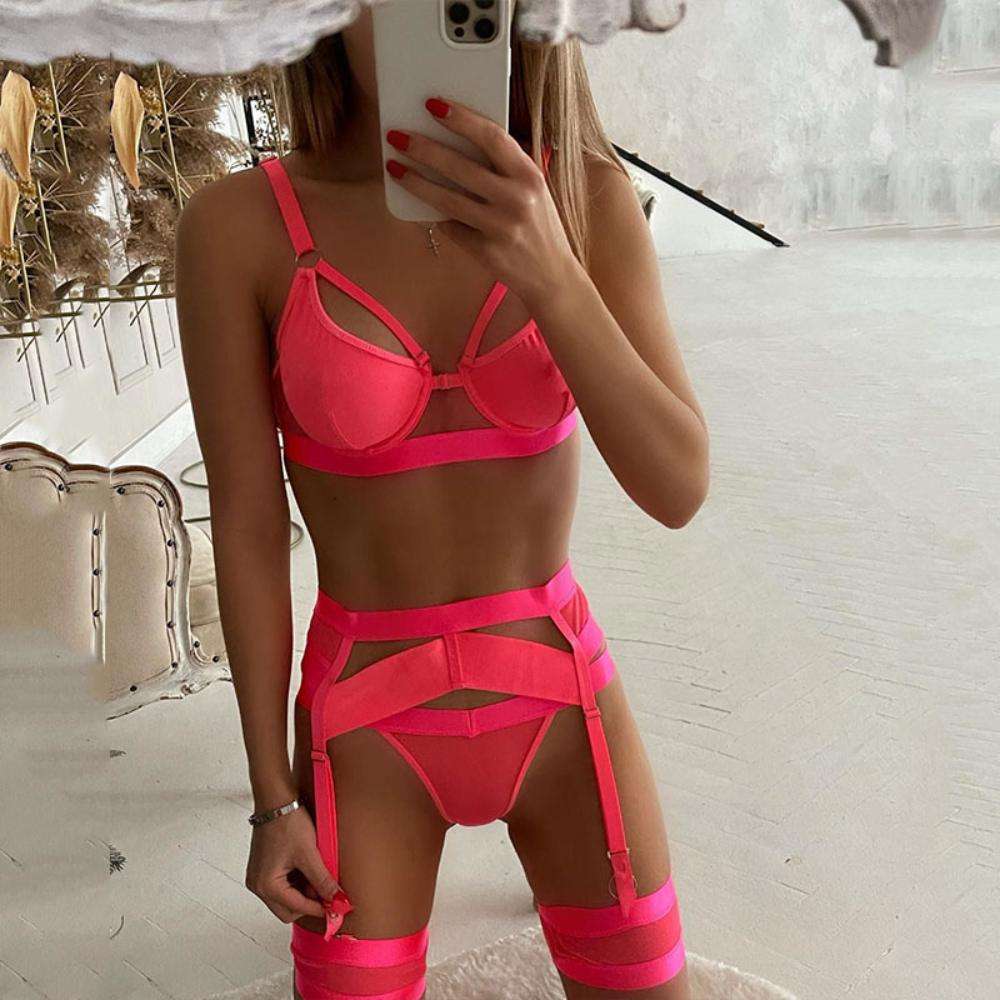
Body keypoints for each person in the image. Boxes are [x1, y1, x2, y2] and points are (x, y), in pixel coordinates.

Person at [176, 9, 708, 999]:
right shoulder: (237, 229)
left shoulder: (584, 197)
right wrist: (270, 798)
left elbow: (678, 486)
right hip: (362, 731)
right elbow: (247, 528)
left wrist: (551, 270)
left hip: (564, 705)